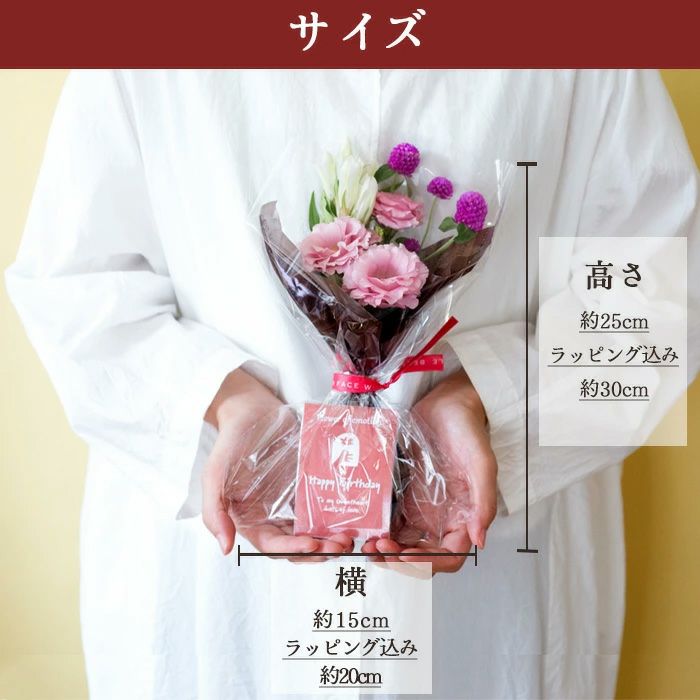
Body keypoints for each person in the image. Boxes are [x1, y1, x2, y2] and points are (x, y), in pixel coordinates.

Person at [7, 69, 699, 700]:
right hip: (223, 578)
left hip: (489, 574)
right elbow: (78, 286)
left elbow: (664, 297)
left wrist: (491, 401)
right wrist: (221, 400)